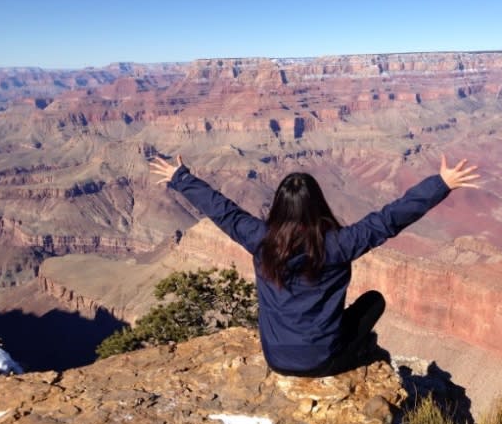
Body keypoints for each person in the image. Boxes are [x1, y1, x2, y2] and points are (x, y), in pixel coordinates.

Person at [150, 154, 479, 376]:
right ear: (318, 205)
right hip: (324, 360)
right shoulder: (337, 245)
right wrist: (441, 184)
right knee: (373, 301)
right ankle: (361, 353)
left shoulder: (260, 239)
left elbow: (223, 211)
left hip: (276, 359)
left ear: (277, 206)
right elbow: (388, 220)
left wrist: (181, 178)